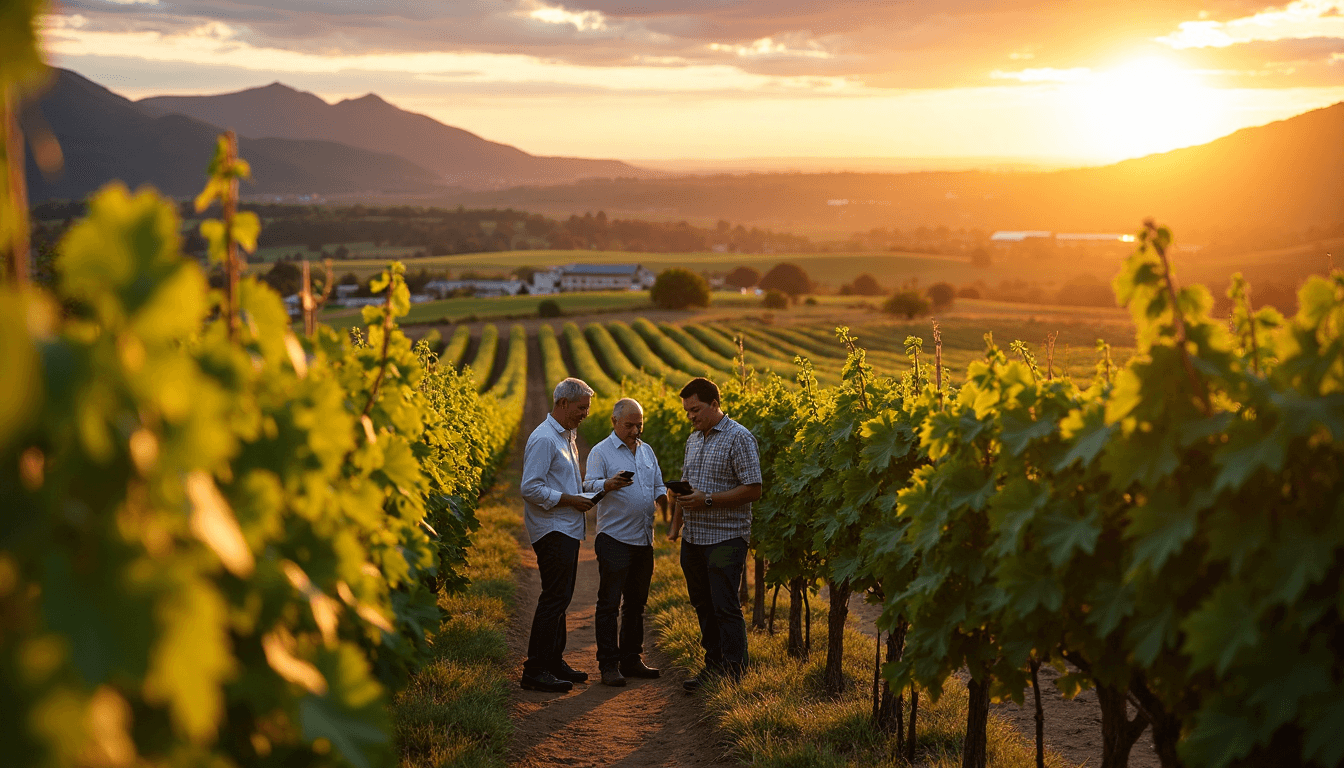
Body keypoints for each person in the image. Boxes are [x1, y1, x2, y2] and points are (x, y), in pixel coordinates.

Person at [671, 377, 762, 692]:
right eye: (687, 412)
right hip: (694, 539)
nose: (691, 417)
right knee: (702, 603)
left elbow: (753, 489)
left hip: (726, 537)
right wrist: (677, 520)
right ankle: (713, 666)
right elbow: (687, 482)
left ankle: (735, 674)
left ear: (713, 403)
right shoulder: (693, 439)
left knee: (725, 604)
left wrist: (707, 499)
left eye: (695, 410)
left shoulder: (739, 438)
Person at [583, 397, 668, 687]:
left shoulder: (647, 452)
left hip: (644, 539)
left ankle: (631, 659)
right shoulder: (601, 452)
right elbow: (587, 485)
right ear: (614, 422)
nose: (635, 430)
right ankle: (608, 664)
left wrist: (663, 496)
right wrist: (607, 484)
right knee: (608, 603)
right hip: (615, 538)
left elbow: (657, 483)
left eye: (639, 425)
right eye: (630, 425)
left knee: (635, 603)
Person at [519, 377, 596, 693]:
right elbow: (530, 488)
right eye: (581, 408)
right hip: (552, 529)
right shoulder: (545, 440)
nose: (584, 414)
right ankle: (535, 669)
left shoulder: (566, 436)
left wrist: (600, 487)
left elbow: (568, 483)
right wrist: (570, 500)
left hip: (565, 527)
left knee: (561, 596)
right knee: (554, 597)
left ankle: (553, 661)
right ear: (563, 403)